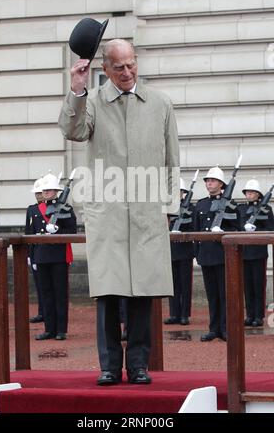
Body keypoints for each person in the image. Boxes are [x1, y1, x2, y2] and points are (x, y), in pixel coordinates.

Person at [58, 38, 180, 385]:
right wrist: (77, 90)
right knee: (109, 293)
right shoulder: (92, 101)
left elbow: (173, 159)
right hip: (108, 211)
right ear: (106, 68)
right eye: (119, 67)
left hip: (146, 211)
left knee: (143, 292)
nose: (127, 73)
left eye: (131, 65)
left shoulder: (160, 103)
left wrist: (169, 207)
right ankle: (110, 366)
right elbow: (73, 130)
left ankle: (139, 364)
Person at [28, 172, 77, 341]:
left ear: (56, 191)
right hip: (41, 256)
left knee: (60, 293)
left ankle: (61, 330)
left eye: (49, 190)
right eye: (44, 190)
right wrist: (31, 257)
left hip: (58, 255)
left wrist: (58, 231)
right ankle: (49, 328)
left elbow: (72, 231)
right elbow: (32, 235)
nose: (46, 192)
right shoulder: (35, 210)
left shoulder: (65, 208)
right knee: (46, 293)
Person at [194, 166, 239, 342]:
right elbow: (197, 232)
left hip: (223, 255)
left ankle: (226, 328)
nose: (209, 183)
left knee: (224, 294)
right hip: (206, 255)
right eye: (207, 180)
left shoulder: (231, 204)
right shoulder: (201, 204)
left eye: (212, 180)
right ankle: (214, 328)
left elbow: (237, 229)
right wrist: (198, 253)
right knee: (212, 295)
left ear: (221, 184)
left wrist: (223, 229)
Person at [238, 179, 274, 327]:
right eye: (247, 192)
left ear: (258, 194)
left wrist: (256, 230)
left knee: (258, 285)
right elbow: (238, 226)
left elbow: (271, 228)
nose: (248, 194)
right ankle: (250, 314)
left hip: (258, 252)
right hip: (245, 252)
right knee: (247, 285)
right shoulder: (241, 209)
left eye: (251, 192)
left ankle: (259, 315)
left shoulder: (266, 210)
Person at [164, 178, 195, 325]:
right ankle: (174, 313)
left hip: (184, 250)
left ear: (183, 193)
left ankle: (184, 314)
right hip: (170, 250)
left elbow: (194, 227)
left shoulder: (190, 208)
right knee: (173, 284)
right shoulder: (166, 208)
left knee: (185, 284)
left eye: (179, 191)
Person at [25, 177, 45, 324]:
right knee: (39, 284)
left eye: (40, 192)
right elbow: (29, 232)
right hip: (36, 251)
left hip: (49, 252)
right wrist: (29, 254)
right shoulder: (31, 209)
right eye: (36, 193)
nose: (38, 195)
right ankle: (41, 311)